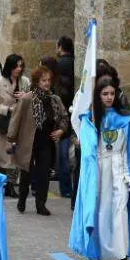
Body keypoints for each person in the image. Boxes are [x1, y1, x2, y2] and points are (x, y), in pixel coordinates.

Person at [70, 76, 130, 260]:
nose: (109, 97)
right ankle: (95, 252)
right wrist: (88, 126)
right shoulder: (91, 119)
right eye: (104, 94)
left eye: (111, 93)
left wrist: (128, 174)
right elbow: (86, 146)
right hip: (99, 171)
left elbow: (128, 150)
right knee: (99, 210)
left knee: (120, 212)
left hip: (118, 169)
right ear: (98, 96)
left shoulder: (124, 120)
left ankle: (122, 256)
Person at [7, 65, 68, 216]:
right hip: (29, 141)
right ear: (36, 82)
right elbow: (16, 119)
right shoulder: (27, 98)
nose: (47, 83)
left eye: (48, 80)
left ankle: (41, 204)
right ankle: (22, 198)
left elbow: (64, 117)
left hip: (47, 141)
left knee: (44, 173)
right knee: (26, 172)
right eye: (43, 80)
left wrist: (61, 130)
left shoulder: (55, 99)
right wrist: (12, 139)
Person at [0, 53, 28, 197]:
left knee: (13, 156)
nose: (19, 69)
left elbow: (31, 99)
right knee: (0, 157)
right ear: (10, 67)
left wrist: (25, 97)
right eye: (16, 66)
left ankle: (10, 185)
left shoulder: (25, 82)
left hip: (16, 125)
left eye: (21, 66)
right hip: (0, 124)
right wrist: (6, 109)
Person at [54, 36, 75, 199]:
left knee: (63, 153)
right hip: (74, 111)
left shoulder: (58, 65)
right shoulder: (75, 62)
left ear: (60, 47)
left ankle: (65, 187)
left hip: (62, 113)